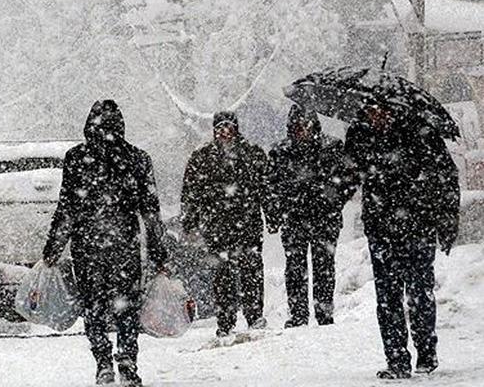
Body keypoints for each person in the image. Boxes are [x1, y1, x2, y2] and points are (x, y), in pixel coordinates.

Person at [43, 100, 168, 387]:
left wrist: (53, 248)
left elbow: (67, 209)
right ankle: (127, 359)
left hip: (88, 247)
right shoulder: (137, 158)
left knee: (94, 306)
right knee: (126, 307)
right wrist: (159, 252)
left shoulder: (76, 159)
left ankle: (103, 362)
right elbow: (150, 211)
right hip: (124, 245)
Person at [345, 104, 459, 379]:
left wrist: (446, 221)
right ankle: (396, 359)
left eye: (381, 111)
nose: (377, 116)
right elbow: (348, 176)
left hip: (417, 226)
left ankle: (426, 352)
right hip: (381, 228)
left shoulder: (420, 133)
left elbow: (445, 176)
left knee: (419, 292)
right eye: (371, 111)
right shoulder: (360, 135)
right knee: (388, 297)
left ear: (394, 110)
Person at [181, 111, 270, 337]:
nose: (225, 132)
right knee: (223, 276)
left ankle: (254, 315)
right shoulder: (202, 157)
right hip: (217, 226)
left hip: (247, 223)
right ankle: (226, 321)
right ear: (214, 130)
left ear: (236, 129)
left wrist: (273, 215)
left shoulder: (253, 154)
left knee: (251, 271)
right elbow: (190, 193)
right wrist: (190, 222)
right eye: (220, 127)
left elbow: (266, 188)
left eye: (229, 127)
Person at [266, 105, 356, 328]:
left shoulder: (332, 148)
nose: (302, 131)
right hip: (295, 218)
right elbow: (270, 186)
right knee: (295, 268)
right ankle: (298, 314)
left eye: (306, 125)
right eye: (298, 126)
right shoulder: (280, 152)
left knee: (324, 267)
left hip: (324, 218)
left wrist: (334, 201)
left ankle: (324, 312)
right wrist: (277, 212)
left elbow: (349, 179)